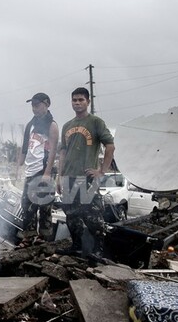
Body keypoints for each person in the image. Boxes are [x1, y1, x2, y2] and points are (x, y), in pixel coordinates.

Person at [57, 87, 115, 258]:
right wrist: (59, 177)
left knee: (92, 215)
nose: (77, 103)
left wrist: (102, 171)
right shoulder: (67, 125)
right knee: (71, 215)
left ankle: (98, 251)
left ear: (88, 102)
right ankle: (76, 247)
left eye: (81, 100)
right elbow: (63, 152)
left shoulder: (96, 122)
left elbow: (110, 146)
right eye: (74, 100)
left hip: (87, 177)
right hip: (68, 177)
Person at [15, 93, 59, 247]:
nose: (35, 109)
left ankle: (43, 237)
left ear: (46, 104)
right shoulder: (30, 125)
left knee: (44, 205)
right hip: (31, 169)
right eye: (33, 106)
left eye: (37, 105)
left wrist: (47, 173)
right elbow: (25, 148)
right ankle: (27, 236)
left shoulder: (51, 125)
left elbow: (53, 151)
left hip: (44, 169)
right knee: (26, 204)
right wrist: (18, 166)